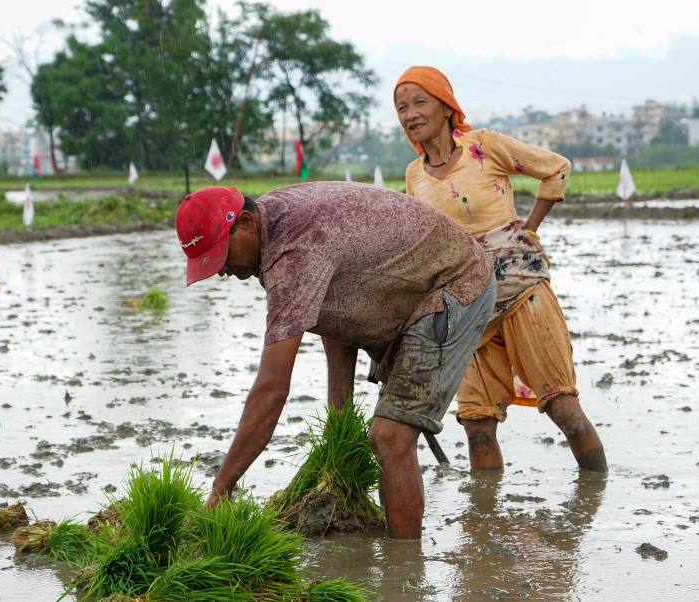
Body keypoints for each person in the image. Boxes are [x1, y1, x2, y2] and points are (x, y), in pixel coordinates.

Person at [176, 182, 497, 539]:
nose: (220, 271)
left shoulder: (295, 251)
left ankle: (404, 574)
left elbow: (270, 390)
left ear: (247, 223)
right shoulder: (274, 221)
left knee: (390, 438)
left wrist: (221, 489)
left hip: (453, 283)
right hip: (412, 283)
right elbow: (335, 310)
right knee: (390, 436)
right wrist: (338, 420)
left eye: (221, 256)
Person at [392, 66, 607, 472]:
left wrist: (528, 228)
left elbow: (555, 167)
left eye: (420, 102)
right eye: (402, 107)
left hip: (521, 291)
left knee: (562, 407)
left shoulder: (484, 147)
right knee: (476, 421)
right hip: (468, 307)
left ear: (446, 106)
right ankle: (484, 518)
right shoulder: (414, 175)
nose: (411, 114)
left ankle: (595, 495)